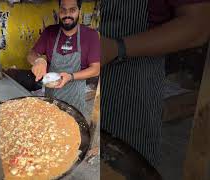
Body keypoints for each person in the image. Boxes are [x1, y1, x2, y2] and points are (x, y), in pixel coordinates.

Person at [99, 0, 210, 175]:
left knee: (125, 166)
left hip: (131, 82)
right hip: (65, 76)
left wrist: (117, 48)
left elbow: (198, 25)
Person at [28, 0, 100, 118]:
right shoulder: (49, 32)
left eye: (72, 10)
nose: (67, 15)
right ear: (59, 11)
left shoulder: (90, 35)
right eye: (63, 10)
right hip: (51, 96)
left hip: (75, 99)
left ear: (79, 12)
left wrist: (70, 76)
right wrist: (39, 60)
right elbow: (32, 53)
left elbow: (95, 69)